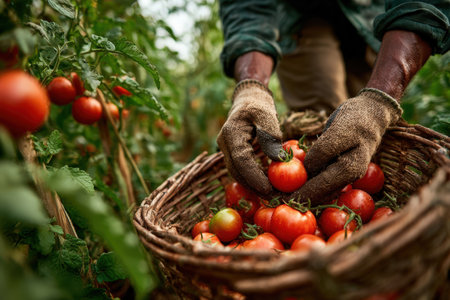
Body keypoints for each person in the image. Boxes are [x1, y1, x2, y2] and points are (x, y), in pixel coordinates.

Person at [216, 0, 449, 203]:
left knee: (362, 133)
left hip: (369, 13)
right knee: (324, 131)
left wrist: (380, 100)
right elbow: (246, 7)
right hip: (299, 16)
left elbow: (423, 5)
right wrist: (251, 88)